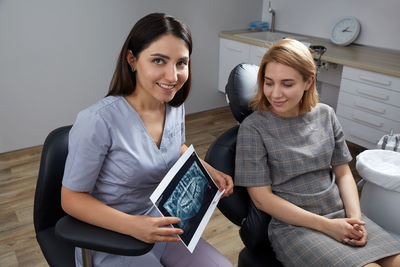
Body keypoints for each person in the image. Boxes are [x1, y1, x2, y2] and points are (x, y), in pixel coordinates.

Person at [61, 13, 234, 267]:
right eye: (159, 60)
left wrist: (208, 170)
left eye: (181, 63)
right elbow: (71, 199)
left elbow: (174, 147)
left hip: (162, 226)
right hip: (113, 237)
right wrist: (133, 226)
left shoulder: (174, 107)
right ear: (132, 59)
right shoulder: (97, 121)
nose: (173, 76)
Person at [234, 39, 400, 267]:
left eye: (287, 84)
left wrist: (355, 219)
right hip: (295, 228)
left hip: (340, 214)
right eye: (269, 82)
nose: (275, 93)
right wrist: (328, 227)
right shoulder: (254, 128)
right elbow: (262, 199)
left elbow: (343, 173)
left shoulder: (326, 115)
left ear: (308, 81)